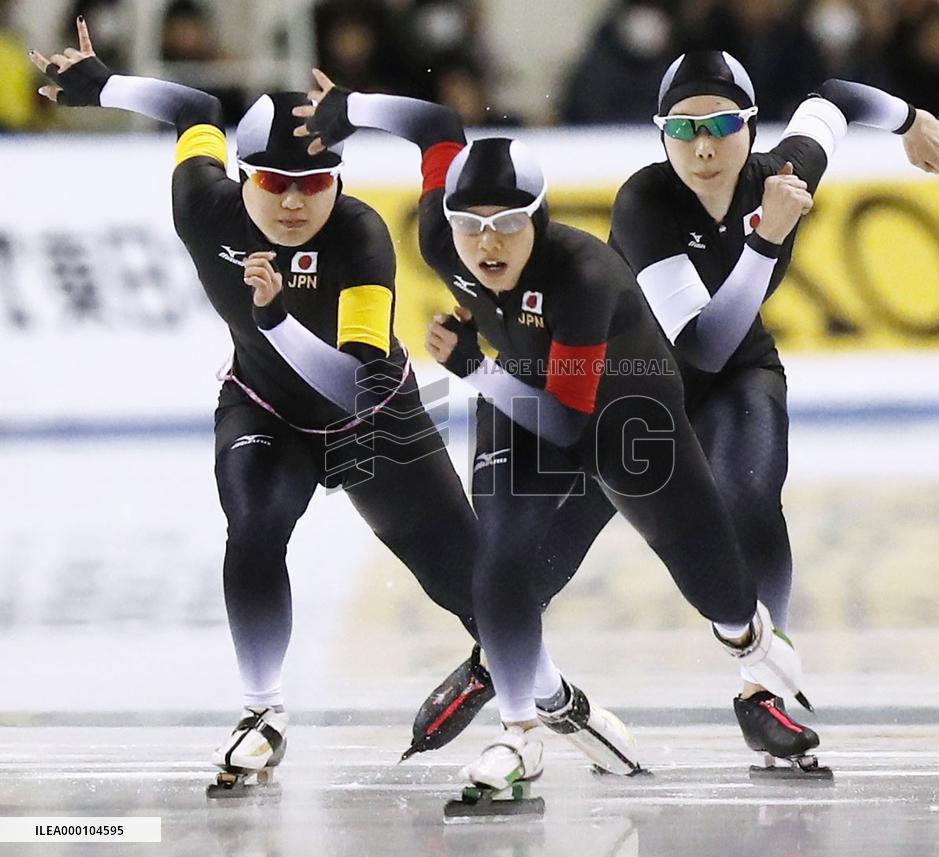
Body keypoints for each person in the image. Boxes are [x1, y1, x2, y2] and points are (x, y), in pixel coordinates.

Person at [29, 17, 629, 793]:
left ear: (338, 179)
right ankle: (261, 714)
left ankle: (549, 701)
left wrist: (276, 319)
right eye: (273, 183)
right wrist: (105, 85)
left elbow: (350, 384)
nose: (293, 201)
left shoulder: (358, 238)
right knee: (254, 529)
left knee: (478, 593)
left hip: (369, 421)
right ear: (241, 177)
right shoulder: (201, 205)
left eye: (314, 182)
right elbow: (196, 111)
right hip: (264, 411)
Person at [293, 72, 813, 797]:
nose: (488, 244)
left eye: (508, 224)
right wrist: (351, 110)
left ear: (539, 219)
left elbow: (570, 425)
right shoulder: (443, 238)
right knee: (500, 562)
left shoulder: (582, 276)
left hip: (630, 413)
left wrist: (472, 366)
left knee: (714, 590)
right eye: (471, 225)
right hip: (524, 389)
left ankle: (751, 648)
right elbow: (437, 123)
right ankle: (522, 732)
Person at [608, 49, 939, 765]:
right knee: (558, 541)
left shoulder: (784, 170)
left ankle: (761, 687)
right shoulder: (643, 203)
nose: (703, 148)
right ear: (659, 135)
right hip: (640, 380)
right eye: (681, 131)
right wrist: (766, 237)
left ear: (751, 125)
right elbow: (698, 345)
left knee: (751, 496)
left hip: (741, 367)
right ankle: (509, 671)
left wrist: (910, 121)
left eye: (719, 126)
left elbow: (835, 95)